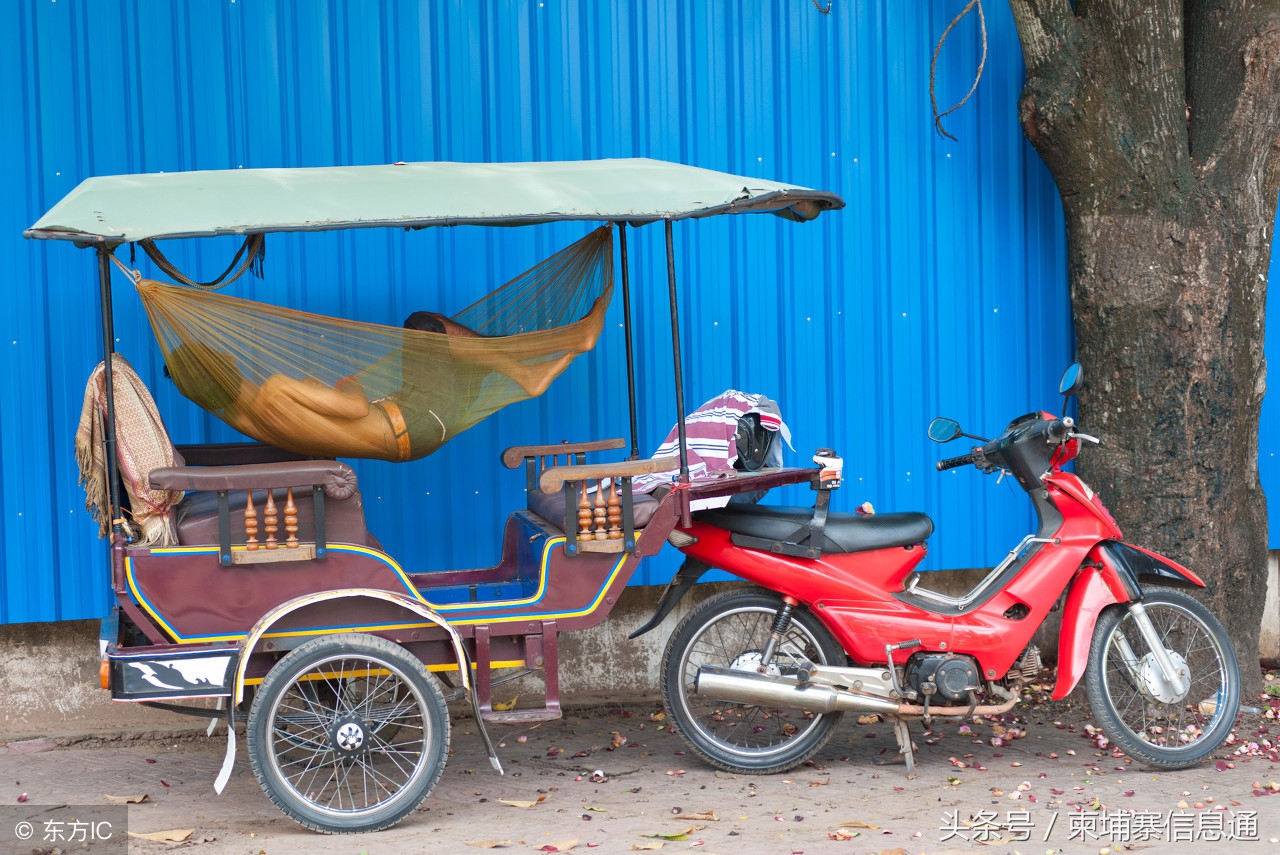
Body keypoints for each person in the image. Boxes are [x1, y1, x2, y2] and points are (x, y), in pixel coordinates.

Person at [167, 302, 603, 461]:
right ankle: (548, 356)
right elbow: (355, 408)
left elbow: (331, 432)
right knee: (424, 326)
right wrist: (349, 385)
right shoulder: (276, 388)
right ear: (226, 365)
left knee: (451, 353)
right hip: (416, 418)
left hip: (411, 430)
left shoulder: (247, 417)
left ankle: (551, 352)